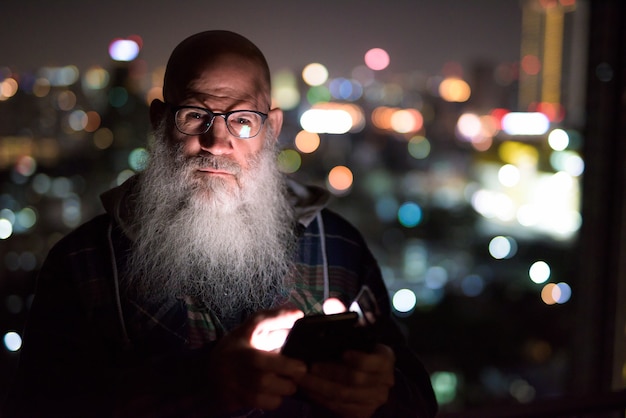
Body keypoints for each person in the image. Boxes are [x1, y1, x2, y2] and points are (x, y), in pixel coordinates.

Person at [3, 30, 438, 418]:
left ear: (272, 130)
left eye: (243, 120)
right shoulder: (84, 264)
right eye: (195, 115)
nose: (217, 141)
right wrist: (200, 384)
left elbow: (417, 397)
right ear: (159, 121)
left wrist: (382, 394)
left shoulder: (338, 247)